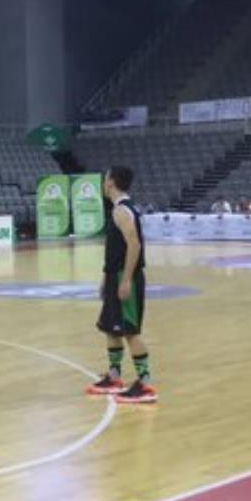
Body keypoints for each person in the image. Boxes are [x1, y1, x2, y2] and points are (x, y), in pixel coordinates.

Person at [86, 166, 155, 404]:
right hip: (115, 275)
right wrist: (107, 278)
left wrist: (125, 279)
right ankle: (114, 376)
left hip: (127, 278)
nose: (103, 183)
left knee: (130, 330)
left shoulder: (123, 211)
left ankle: (145, 384)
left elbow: (134, 246)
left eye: (105, 178)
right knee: (109, 327)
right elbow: (116, 251)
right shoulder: (120, 209)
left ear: (112, 182)